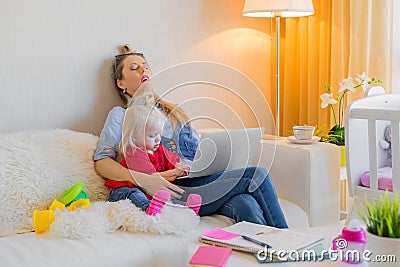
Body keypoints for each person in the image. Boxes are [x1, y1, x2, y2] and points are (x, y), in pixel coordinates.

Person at [94, 44, 288, 228]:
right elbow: (102, 162)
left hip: (196, 179)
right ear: (121, 83)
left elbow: (197, 150)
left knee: (246, 204)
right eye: (134, 68)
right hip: (170, 188)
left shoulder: (175, 112)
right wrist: (144, 179)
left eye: (146, 67)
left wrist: (212, 160)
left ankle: (274, 257)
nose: (143, 71)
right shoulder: (121, 115)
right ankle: (289, 242)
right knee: (256, 175)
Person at [105, 93, 201, 215]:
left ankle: (185, 209)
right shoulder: (134, 151)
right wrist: (171, 173)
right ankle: (147, 208)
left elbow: (172, 162)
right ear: (134, 136)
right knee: (135, 194)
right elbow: (150, 177)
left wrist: (179, 168)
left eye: (159, 134)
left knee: (168, 194)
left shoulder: (158, 148)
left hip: (149, 190)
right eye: (152, 136)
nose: (157, 139)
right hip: (124, 190)